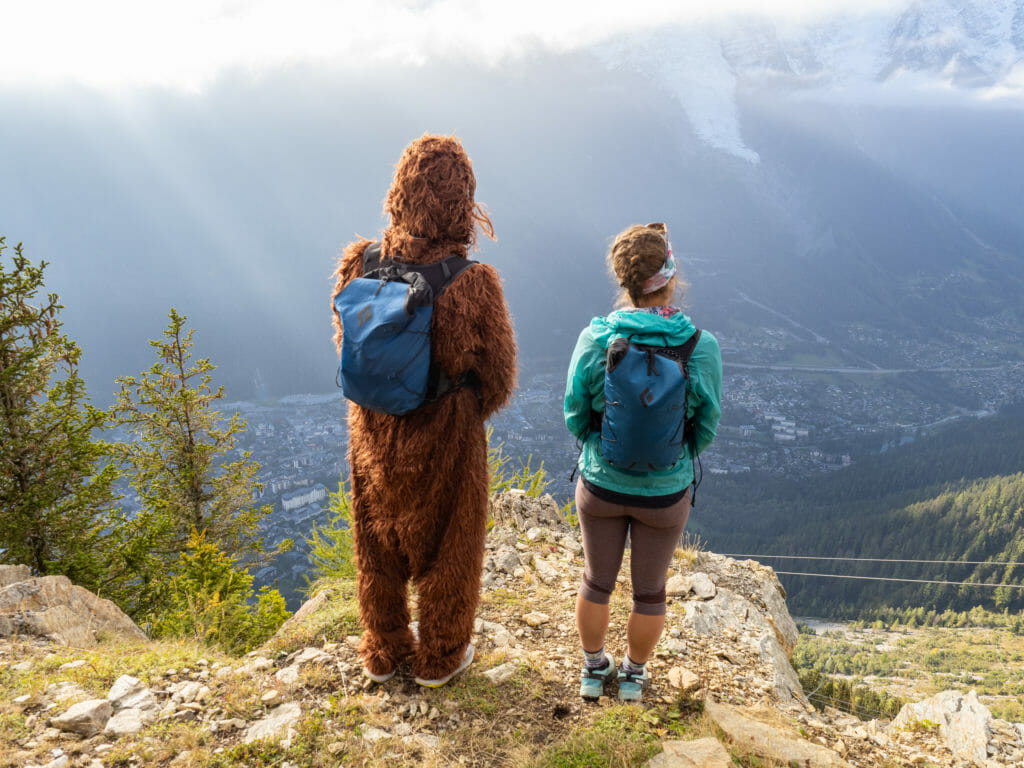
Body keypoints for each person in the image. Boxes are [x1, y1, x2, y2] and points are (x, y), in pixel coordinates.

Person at [331, 134, 517, 687]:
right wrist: (462, 406)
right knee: (452, 542)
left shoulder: (359, 262)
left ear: (399, 191)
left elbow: (347, 340)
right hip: (447, 429)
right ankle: (440, 655)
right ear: (464, 202)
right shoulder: (472, 280)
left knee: (375, 539)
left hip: (371, 425)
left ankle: (383, 649)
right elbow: (500, 376)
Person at [563, 222, 722, 702]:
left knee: (596, 581)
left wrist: (601, 446)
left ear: (624, 283)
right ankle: (633, 676)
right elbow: (707, 424)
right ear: (671, 277)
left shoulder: (597, 337)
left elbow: (575, 413)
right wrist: (672, 456)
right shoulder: (699, 346)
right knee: (650, 592)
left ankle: (593, 671)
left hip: (601, 485)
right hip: (665, 492)